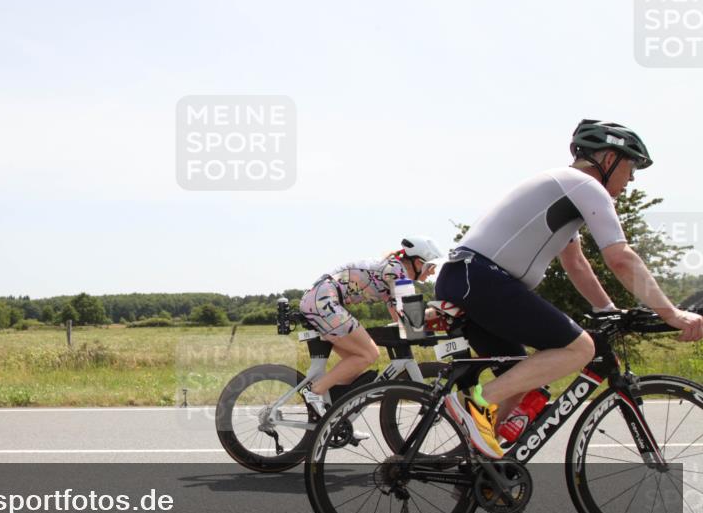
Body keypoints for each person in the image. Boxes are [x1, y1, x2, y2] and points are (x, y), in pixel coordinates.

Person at [435, 119, 703, 459]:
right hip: (482, 279)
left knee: (521, 378)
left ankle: (476, 465)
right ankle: (476, 405)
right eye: (631, 167)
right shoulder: (585, 186)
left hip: (469, 279)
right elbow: (620, 257)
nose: (631, 179)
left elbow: (576, 264)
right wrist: (671, 312)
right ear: (608, 159)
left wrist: (609, 311)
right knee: (580, 349)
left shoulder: (563, 190)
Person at [299, 236, 443, 416]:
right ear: (416, 262)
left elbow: (403, 320)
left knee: (356, 361)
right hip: (324, 301)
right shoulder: (397, 271)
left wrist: (424, 319)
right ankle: (314, 392)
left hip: (321, 300)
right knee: (369, 353)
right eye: (430, 266)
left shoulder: (393, 272)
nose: (432, 272)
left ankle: (336, 417)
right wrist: (441, 310)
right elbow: (413, 317)